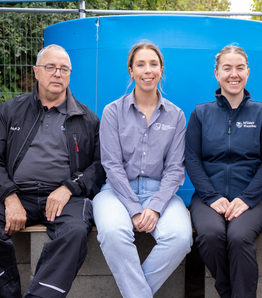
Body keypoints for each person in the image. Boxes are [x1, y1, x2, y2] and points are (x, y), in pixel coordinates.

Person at [0, 44, 105, 298]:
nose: (57, 74)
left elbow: (99, 166)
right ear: (36, 72)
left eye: (64, 69)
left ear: (70, 75)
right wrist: (9, 196)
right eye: (50, 67)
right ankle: (5, 293)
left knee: (74, 234)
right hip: (15, 193)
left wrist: (69, 188)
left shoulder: (87, 119)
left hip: (65, 198)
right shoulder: (9, 111)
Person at [92, 41, 193, 298]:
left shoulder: (176, 115)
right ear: (131, 70)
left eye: (153, 64)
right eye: (141, 64)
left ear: (161, 70)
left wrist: (156, 206)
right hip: (116, 191)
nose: (147, 70)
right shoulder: (112, 112)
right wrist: (135, 209)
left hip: (160, 192)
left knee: (181, 237)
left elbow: (174, 168)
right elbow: (111, 165)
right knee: (113, 233)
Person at [185, 44, 262, 298]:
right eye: (227, 68)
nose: (233, 74)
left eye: (239, 68)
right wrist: (211, 197)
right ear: (217, 73)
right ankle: (228, 292)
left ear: (248, 72)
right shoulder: (201, 113)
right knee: (212, 235)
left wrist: (247, 198)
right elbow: (191, 159)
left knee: (239, 238)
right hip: (207, 198)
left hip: (253, 199)